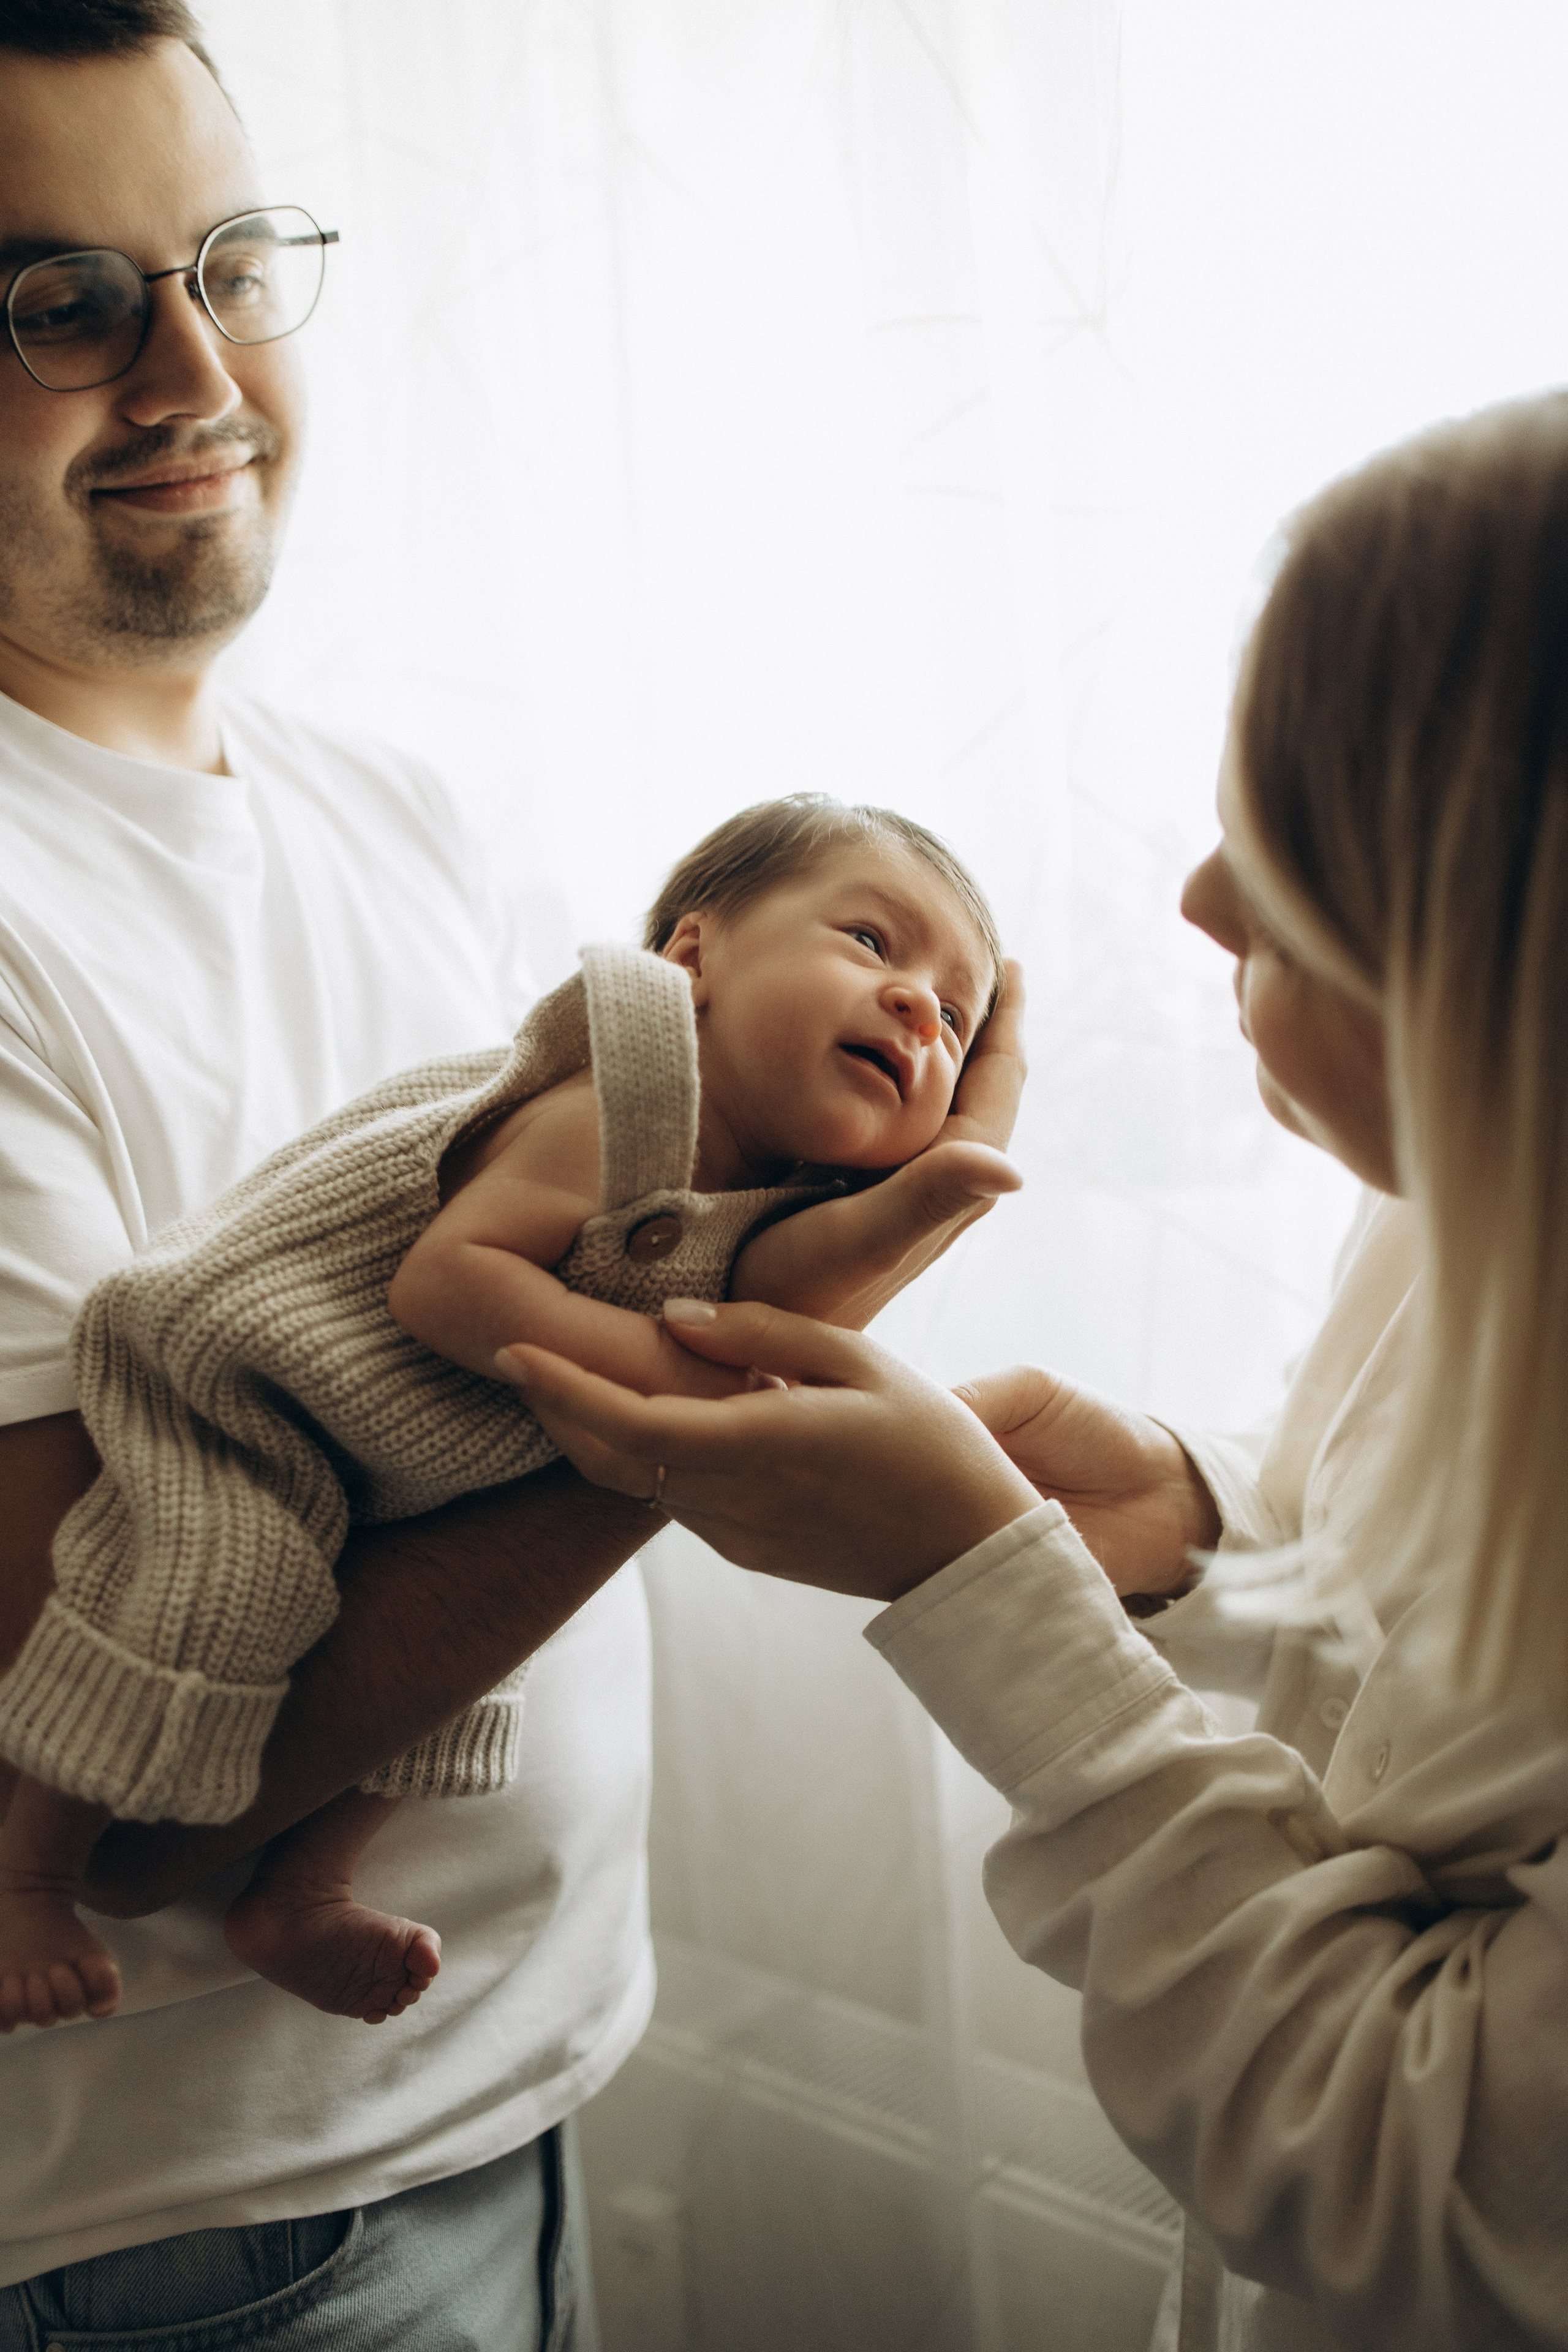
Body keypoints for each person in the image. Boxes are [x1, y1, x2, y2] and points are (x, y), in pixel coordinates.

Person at [0, 7, 1022, 2342]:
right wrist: (774, 1344)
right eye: (59, 301)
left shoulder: (400, 810)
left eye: (231, 260)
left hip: (508, 2100)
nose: (191, 370)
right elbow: (145, 1769)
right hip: (207, 2242)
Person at [503, 391, 1568, 2350]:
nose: (1200, 901)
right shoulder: (1462, 1193)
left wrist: (990, 1599)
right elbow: (1482, 1672)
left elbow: (1424, 2178)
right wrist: (1205, 1521)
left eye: (1305, 842)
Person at [0, 796, 1005, 2035]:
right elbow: (447, 1282)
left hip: (402, 1449)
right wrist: (665, 1378)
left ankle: (300, 1889)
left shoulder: (773, 1193)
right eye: (868, 942)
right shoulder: (626, 1103)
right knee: (214, 1583)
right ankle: (28, 1874)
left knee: (461, 1680)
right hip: (248, 1387)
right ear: (693, 961)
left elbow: (810, 1284)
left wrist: (925, 1198)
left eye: (955, 1016)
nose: (916, 1005)